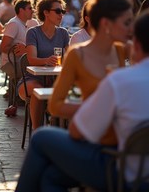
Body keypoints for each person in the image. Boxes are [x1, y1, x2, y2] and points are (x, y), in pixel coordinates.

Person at [15, 10, 149, 192]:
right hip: (137, 168)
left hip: (124, 171)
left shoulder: (120, 80)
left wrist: (93, 107)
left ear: (137, 44)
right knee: (51, 176)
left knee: (40, 137)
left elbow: (78, 132)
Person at [49, 0, 133, 144]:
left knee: (41, 138)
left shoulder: (125, 50)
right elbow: (55, 105)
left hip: (118, 143)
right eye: (126, 23)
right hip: (92, 135)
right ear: (106, 24)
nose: (131, 28)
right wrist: (97, 110)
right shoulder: (77, 54)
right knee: (43, 139)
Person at [18, 0, 69, 131]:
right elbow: (31, 59)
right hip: (31, 79)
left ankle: (61, 131)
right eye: (58, 11)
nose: (61, 15)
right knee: (38, 91)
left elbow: (69, 59)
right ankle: (37, 133)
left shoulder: (63, 33)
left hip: (55, 80)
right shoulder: (33, 32)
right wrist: (47, 60)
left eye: (63, 11)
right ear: (46, 12)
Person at [0, 0, 34, 80]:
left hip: (21, 62)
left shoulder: (23, 23)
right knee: (35, 73)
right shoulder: (14, 24)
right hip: (11, 63)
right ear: (21, 10)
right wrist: (18, 50)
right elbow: (3, 48)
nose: (33, 10)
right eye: (30, 8)